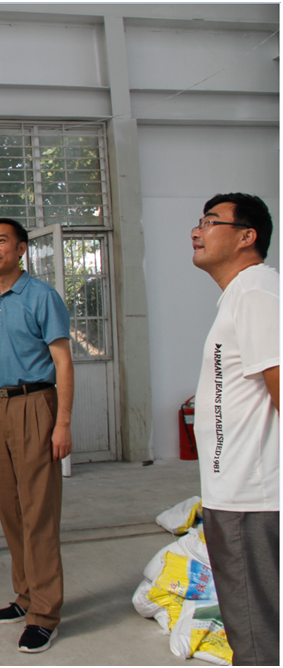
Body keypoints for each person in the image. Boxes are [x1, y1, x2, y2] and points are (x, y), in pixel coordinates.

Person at [0, 218, 73, 654]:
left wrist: (62, 422)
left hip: (36, 403)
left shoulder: (41, 297)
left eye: (2, 241)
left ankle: (45, 614)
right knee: (10, 508)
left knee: (38, 512)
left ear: (21, 249)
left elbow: (63, 361)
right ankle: (26, 595)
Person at [189, 193, 279, 666]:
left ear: (247, 236)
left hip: (251, 497)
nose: (196, 231)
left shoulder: (257, 292)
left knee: (255, 632)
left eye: (210, 221)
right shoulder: (242, 294)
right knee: (252, 622)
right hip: (234, 492)